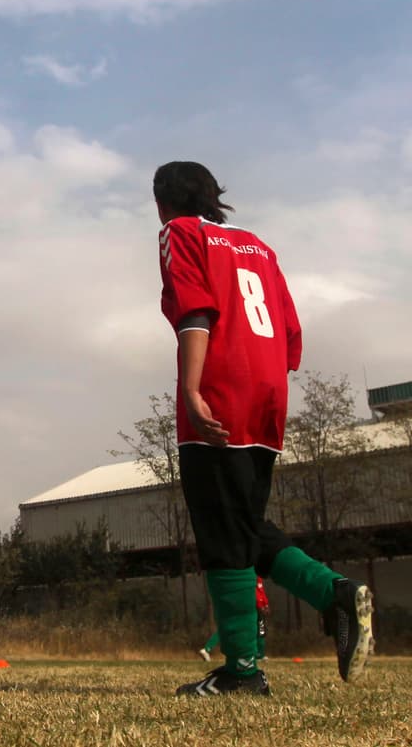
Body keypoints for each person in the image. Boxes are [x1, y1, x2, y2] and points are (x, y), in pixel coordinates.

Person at [153, 161, 373, 697]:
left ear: (162, 202)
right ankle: (333, 593)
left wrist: (192, 388)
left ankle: (243, 671)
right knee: (244, 524)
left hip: (222, 387)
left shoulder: (179, 233)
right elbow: (292, 338)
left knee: (221, 532)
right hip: (268, 397)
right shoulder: (260, 247)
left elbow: (196, 313)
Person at [200, 576, 270, 662]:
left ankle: (207, 648)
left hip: (238, 600)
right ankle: (259, 654)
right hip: (252, 603)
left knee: (230, 626)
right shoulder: (254, 573)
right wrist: (263, 604)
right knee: (260, 627)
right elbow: (258, 590)